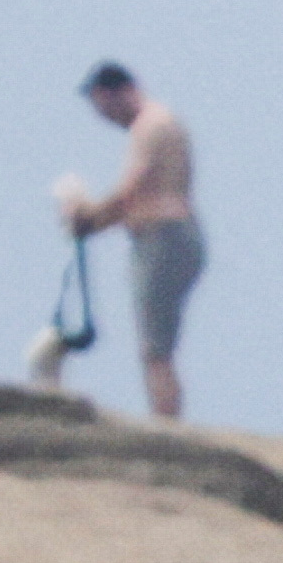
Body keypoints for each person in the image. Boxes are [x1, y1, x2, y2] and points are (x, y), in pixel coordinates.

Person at [55, 62, 201, 420]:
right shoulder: (158, 124)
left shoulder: (152, 125)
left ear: (114, 94)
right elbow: (133, 202)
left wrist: (87, 217)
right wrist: (89, 225)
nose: (105, 119)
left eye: (103, 109)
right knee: (155, 348)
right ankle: (167, 423)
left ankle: (167, 429)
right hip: (166, 238)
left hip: (164, 240)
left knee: (155, 351)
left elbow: (129, 195)